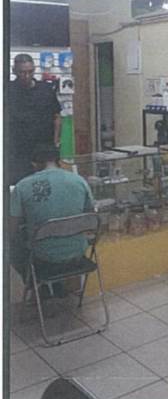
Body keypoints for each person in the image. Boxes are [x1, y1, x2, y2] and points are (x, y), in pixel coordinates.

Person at [9, 144, 95, 286]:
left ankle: (34, 285)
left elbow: (11, 228)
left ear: (34, 164)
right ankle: (60, 287)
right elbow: (91, 217)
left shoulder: (22, 186)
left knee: (11, 247)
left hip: (43, 256)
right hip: (77, 252)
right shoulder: (79, 181)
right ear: (58, 161)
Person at [9, 53, 62, 184]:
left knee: (47, 184)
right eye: (22, 72)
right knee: (19, 185)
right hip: (17, 151)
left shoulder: (46, 89)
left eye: (30, 71)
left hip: (44, 148)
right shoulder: (7, 90)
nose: (26, 76)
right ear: (14, 71)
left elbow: (56, 117)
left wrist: (55, 143)